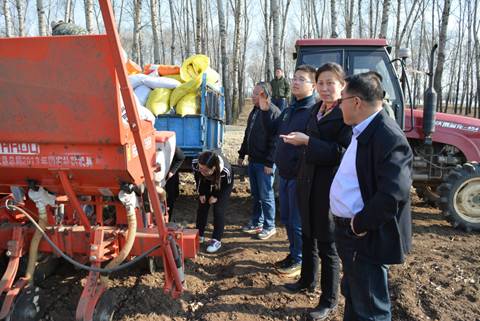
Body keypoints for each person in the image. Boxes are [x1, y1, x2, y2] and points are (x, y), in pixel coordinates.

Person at [329, 72, 413, 321]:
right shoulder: (363, 129)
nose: (337, 105)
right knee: (356, 295)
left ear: (356, 102)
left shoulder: (388, 136)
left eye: (340, 99)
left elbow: (393, 194)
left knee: (371, 306)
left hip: (365, 235)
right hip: (352, 233)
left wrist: (359, 224)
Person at [281, 63, 352, 320]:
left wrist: (309, 141)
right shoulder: (316, 109)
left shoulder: (346, 114)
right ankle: (307, 280)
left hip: (329, 186)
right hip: (307, 181)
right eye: (321, 83)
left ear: (342, 85)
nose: (324, 88)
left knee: (327, 244)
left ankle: (329, 300)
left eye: (330, 83)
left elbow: (342, 153)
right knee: (308, 235)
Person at [259, 64, 317, 276]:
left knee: (296, 221)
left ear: (313, 86)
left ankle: (300, 259)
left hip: (299, 176)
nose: (295, 81)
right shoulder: (290, 109)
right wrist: (265, 111)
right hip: (284, 174)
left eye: (301, 79)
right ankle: (293, 254)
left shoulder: (312, 111)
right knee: (287, 220)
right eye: (294, 78)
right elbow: (274, 131)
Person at [238, 82, 281, 240]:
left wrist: (270, 162)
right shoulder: (254, 111)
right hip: (253, 160)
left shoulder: (274, 112)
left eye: (257, 94)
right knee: (256, 195)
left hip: (265, 163)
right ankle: (257, 222)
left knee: (266, 195)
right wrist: (242, 153)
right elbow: (247, 134)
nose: (253, 96)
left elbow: (276, 141)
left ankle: (270, 226)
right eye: (253, 92)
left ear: (265, 95)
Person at [192, 151, 234, 253]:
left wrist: (216, 196)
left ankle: (216, 240)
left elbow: (225, 187)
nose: (201, 171)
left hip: (223, 185)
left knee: (219, 210)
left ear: (214, 168)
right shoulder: (196, 163)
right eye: (200, 168)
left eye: (205, 170)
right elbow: (198, 178)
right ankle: (199, 234)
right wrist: (201, 193)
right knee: (202, 205)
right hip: (205, 181)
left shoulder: (225, 171)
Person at [165, 147, 185, 222]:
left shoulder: (169, 144)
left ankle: (167, 220)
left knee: (169, 198)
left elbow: (181, 157)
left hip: (169, 177)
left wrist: (172, 171)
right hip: (155, 177)